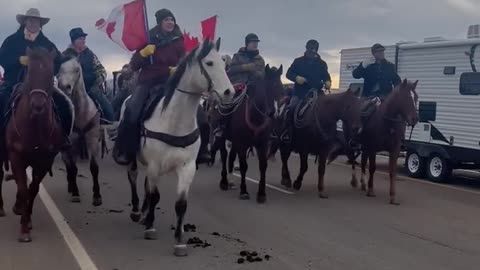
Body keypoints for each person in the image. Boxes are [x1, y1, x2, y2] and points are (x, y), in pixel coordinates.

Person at [112, 8, 185, 165]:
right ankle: (126, 149)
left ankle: (199, 149)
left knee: (194, 110)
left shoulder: (179, 40)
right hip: (148, 81)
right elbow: (134, 64)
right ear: (160, 23)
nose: (170, 22)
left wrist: (179, 68)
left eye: (172, 19)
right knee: (133, 110)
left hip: (170, 82)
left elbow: (183, 60)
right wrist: (143, 53)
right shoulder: (148, 39)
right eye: (167, 20)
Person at [0, 8, 71, 148]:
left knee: (63, 103)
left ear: (40, 24)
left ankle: (63, 138)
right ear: (25, 21)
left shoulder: (47, 43)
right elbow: (2, 58)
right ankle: (2, 142)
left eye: (36, 21)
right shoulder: (11, 40)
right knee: (1, 101)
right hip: (14, 81)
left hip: (42, 86)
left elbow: (57, 62)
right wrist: (18, 61)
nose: (33, 23)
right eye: (30, 20)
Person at [212, 33, 266, 140]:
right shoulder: (237, 56)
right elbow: (231, 70)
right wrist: (245, 67)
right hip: (238, 86)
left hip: (253, 88)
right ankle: (221, 126)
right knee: (227, 103)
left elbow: (262, 74)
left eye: (256, 43)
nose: (255, 45)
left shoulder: (260, 60)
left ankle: (268, 131)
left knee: (265, 104)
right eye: (253, 42)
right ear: (247, 43)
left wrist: (256, 73)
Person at [277, 39, 331, 144]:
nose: (311, 52)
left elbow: (326, 76)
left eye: (314, 50)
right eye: (310, 49)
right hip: (300, 93)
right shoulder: (298, 61)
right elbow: (289, 73)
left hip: (317, 92)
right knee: (291, 108)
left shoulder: (322, 63)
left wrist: (328, 81)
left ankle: (327, 135)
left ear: (316, 50)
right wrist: (296, 78)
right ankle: (287, 132)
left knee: (328, 110)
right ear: (306, 49)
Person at [66, 27, 114, 123]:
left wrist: (98, 79)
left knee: (104, 103)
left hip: (90, 86)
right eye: (80, 38)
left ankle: (111, 122)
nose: (83, 40)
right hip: (71, 88)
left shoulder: (90, 54)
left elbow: (101, 70)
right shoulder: (66, 56)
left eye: (84, 38)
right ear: (74, 40)